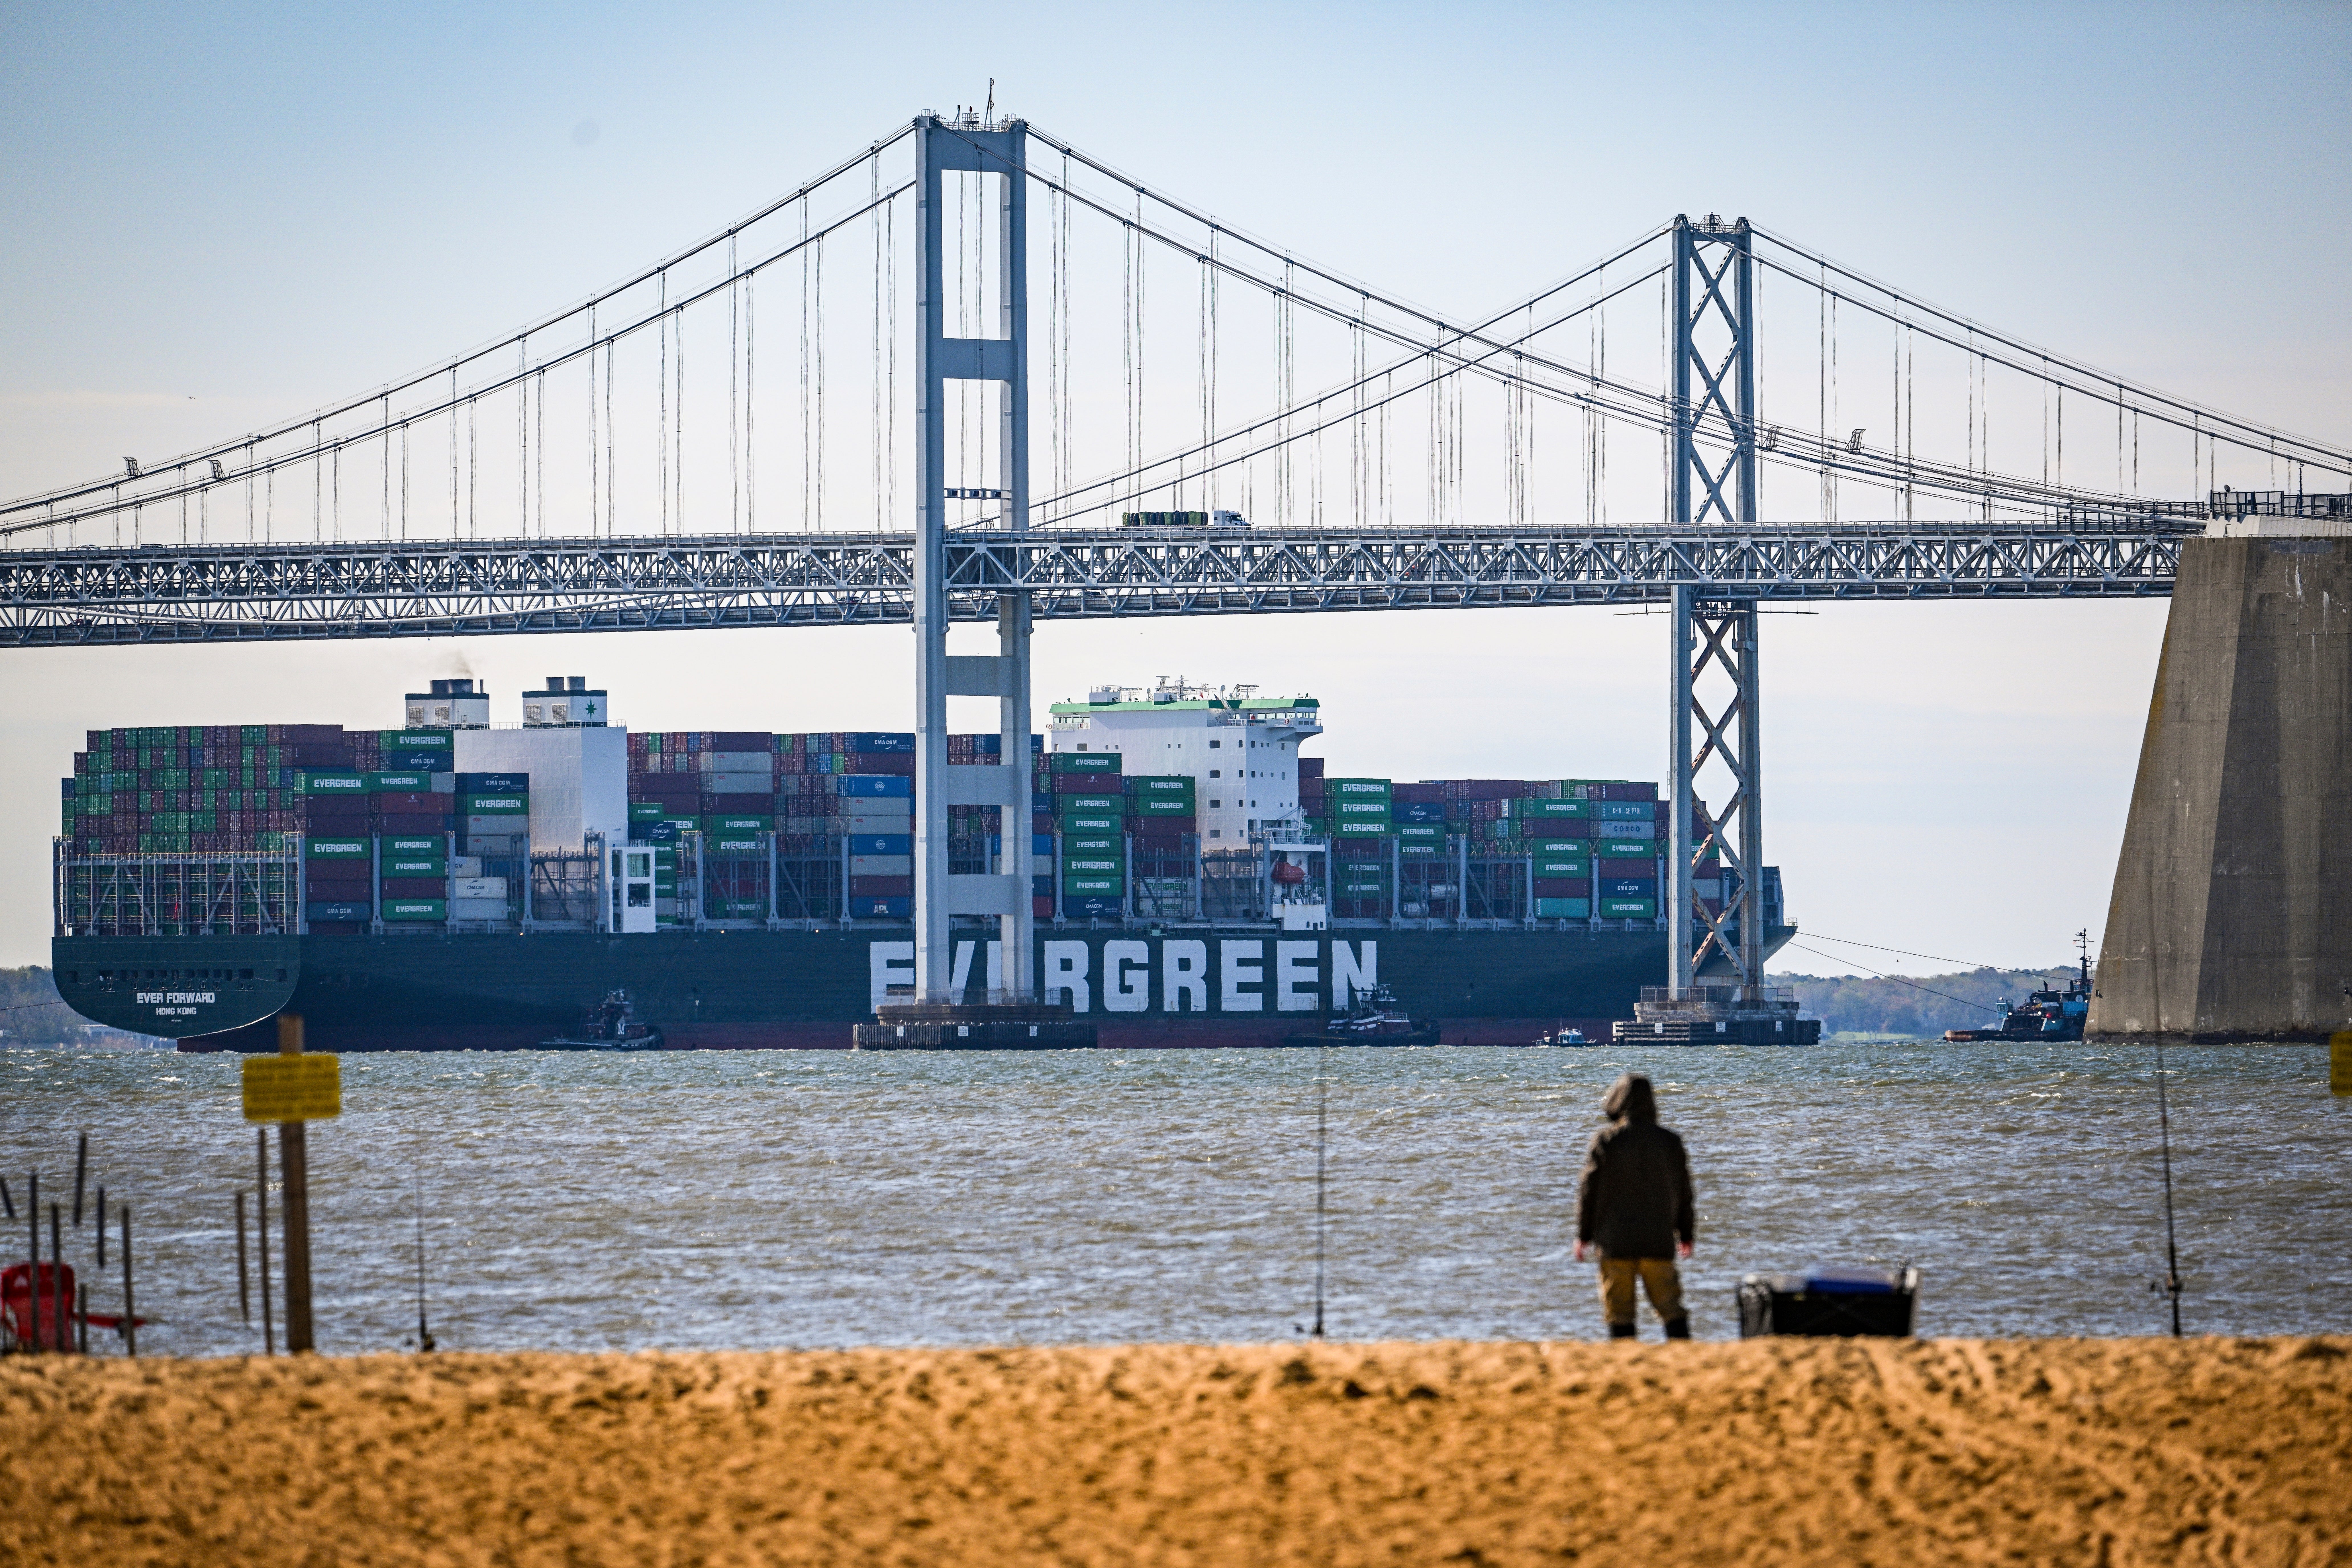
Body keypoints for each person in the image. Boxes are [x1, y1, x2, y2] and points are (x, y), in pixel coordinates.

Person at [1574, 1072, 1695, 1340]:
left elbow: (1588, 1192)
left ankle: (1625, 1359)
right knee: (1671, 1308)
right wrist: (1686, 1234)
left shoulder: (1606, 1140)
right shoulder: (1670, 1141)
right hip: (1658, 1240)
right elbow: (1685, 1193)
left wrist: (1583, 1236)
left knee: (1619, 1313)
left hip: (1614, 1242)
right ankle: (1684, 1356)